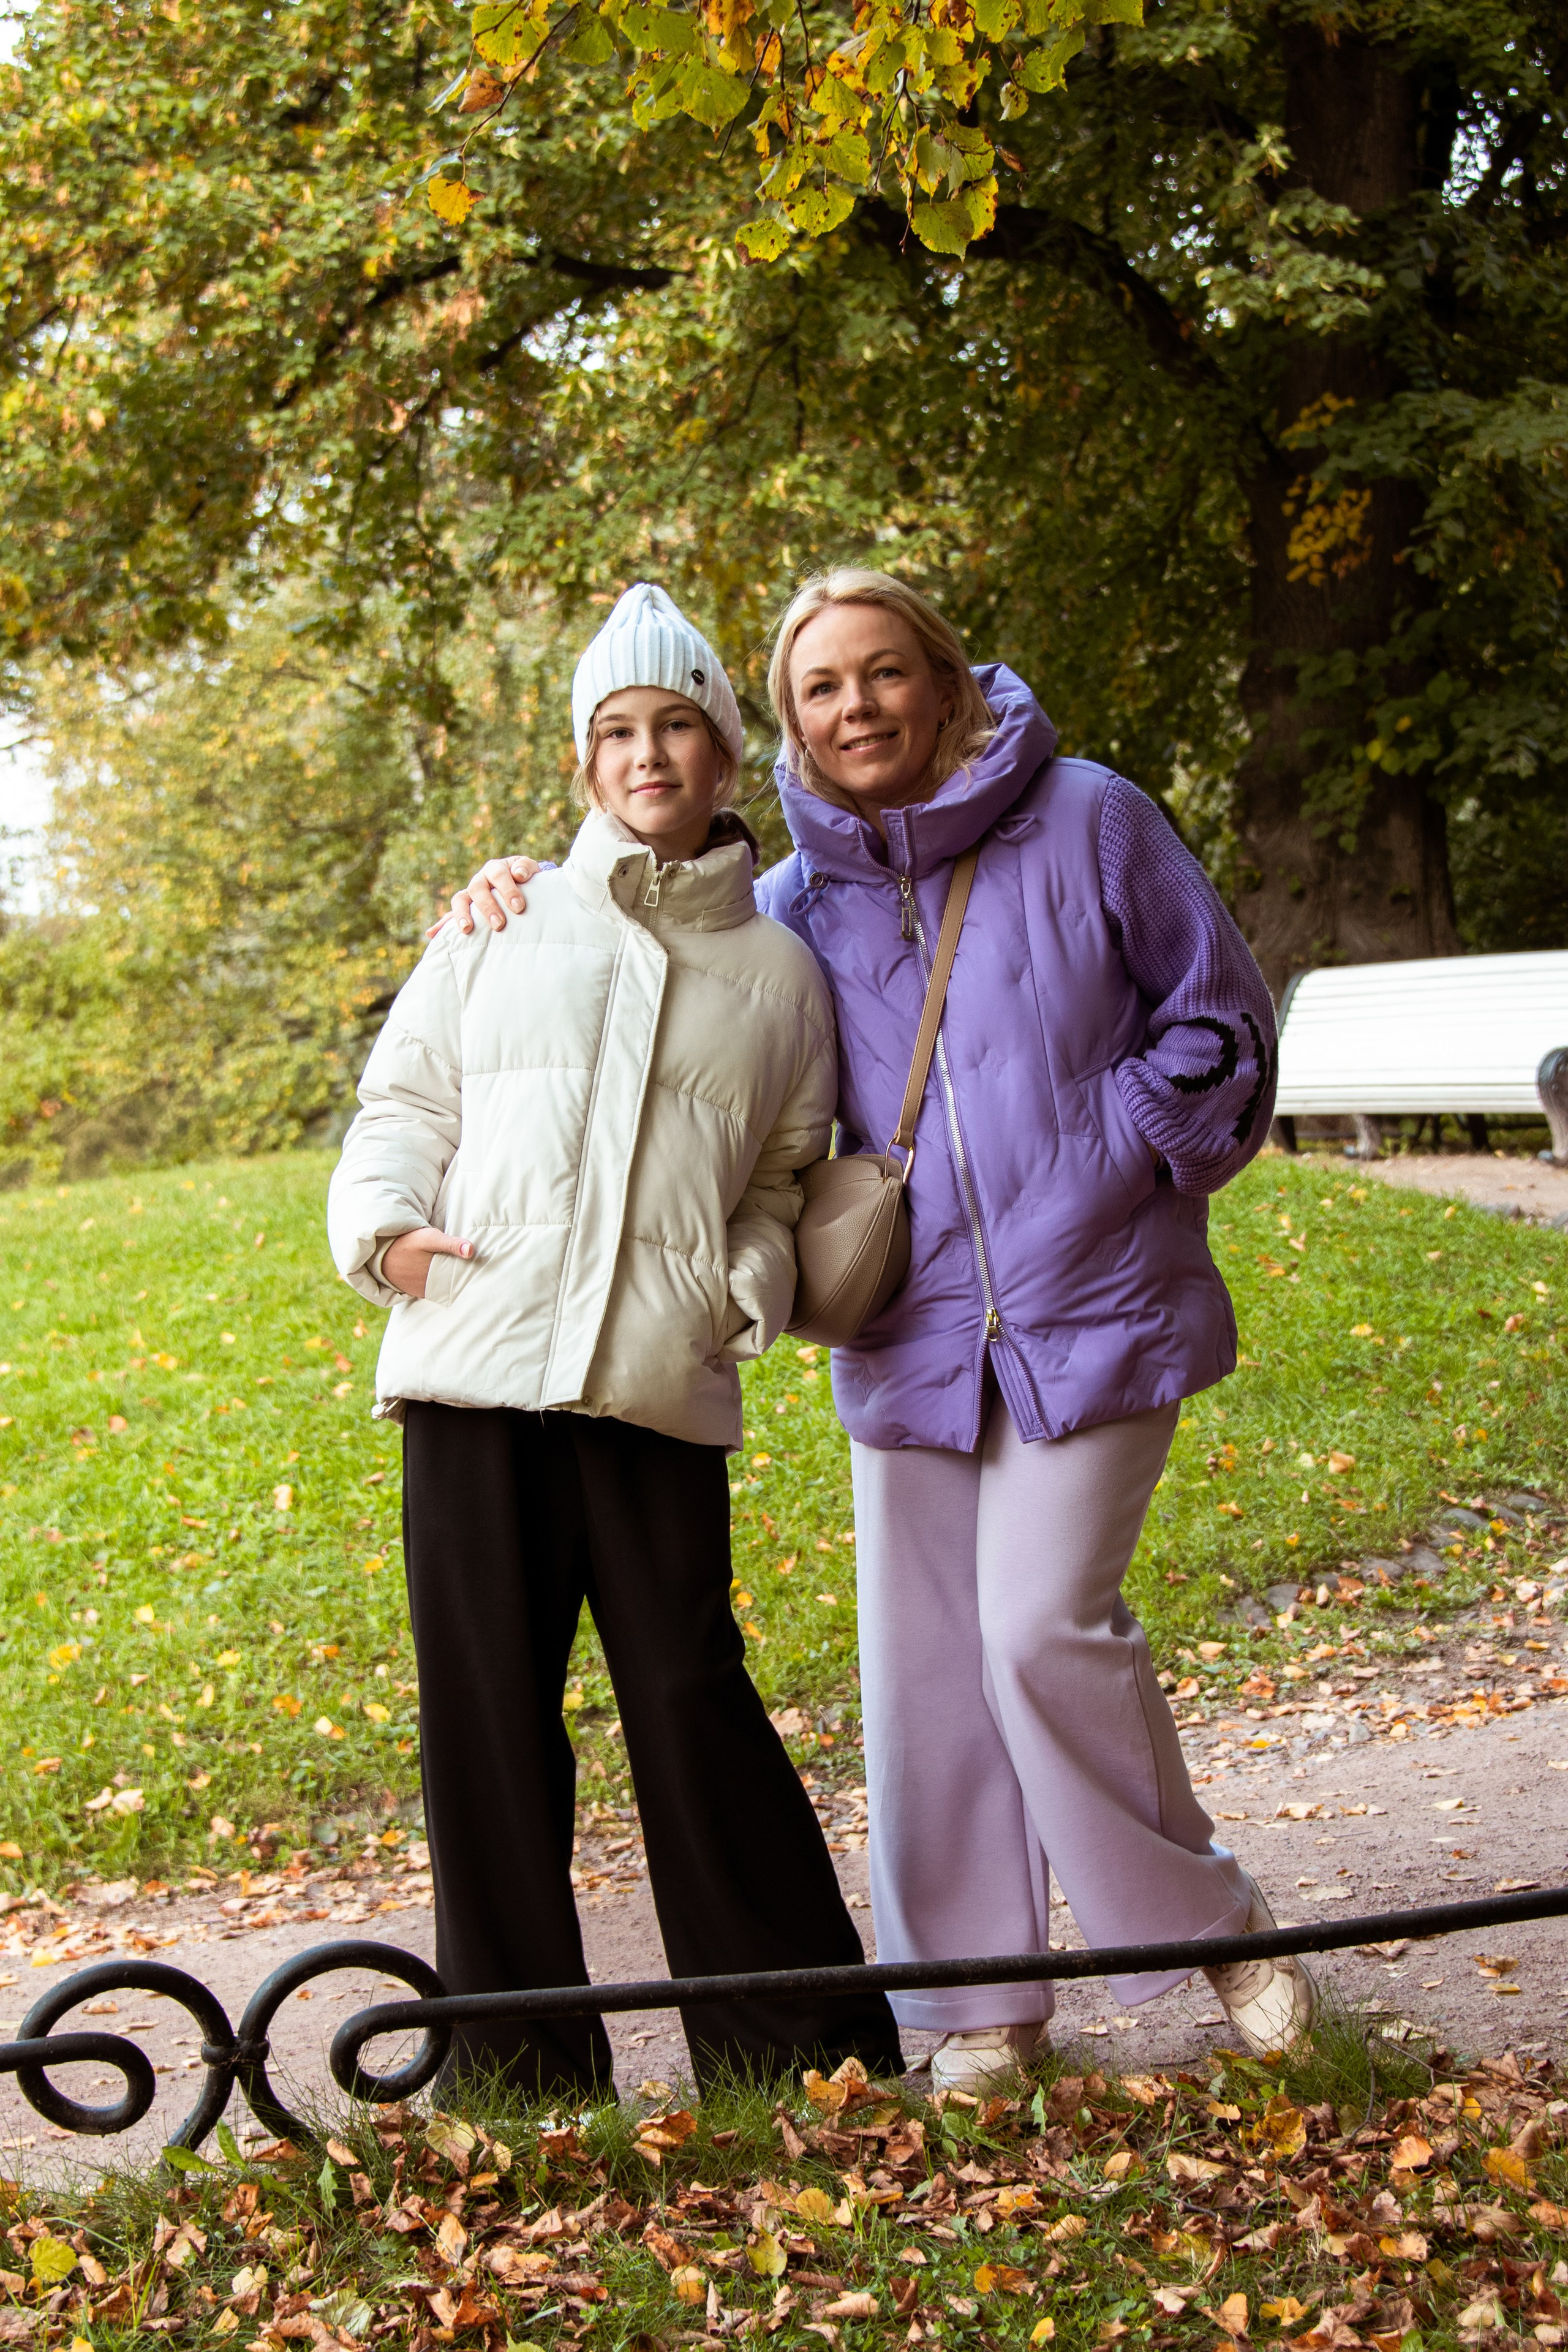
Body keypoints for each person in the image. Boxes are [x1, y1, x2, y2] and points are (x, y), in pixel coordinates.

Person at [450, 568, 1316, 2090]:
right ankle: (975, 2006)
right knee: (924, 1676)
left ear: (944, 681)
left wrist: (1112, 1147)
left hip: (1092, 1300)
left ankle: (1213, 1927)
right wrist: (516, 892)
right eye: (822, 689)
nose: (857, 708)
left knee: (1038, 1627)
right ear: (783, 725)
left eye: (884, 673)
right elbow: (660, 968)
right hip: (909, 1341)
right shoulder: (789, 910)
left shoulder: (1091, 818)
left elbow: (1219, 1021)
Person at [328, 581, 902, 2098]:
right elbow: (403, 1108)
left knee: (692, 1699)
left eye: (678, 727)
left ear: (725, 754)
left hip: (655, 1386)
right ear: (584, 763)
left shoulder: (782, 975)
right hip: (473, 1369)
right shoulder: (497, 922)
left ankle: (798, 2051)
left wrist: (746, 1288)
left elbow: (784, 1176)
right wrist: (384, 1233)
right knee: (487, 1732)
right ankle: (516, 2076)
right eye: (617, 732)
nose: (648, 755)